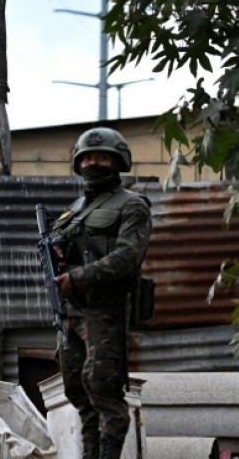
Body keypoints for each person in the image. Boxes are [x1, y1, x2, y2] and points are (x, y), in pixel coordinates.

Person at [48, 126, 152, 459]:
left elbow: (127, 257)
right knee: (77, 390)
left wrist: (79, 277)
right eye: (88, 157)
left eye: (103, 157)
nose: (94, 163)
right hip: (71, 313)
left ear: (118, 161)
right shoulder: (75, 209)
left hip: (104, 312)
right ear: (78, 164)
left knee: (104, 390)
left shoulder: (132, 205)